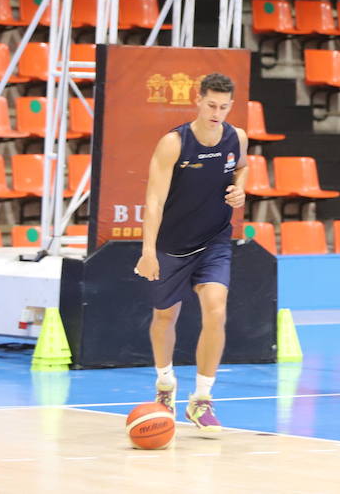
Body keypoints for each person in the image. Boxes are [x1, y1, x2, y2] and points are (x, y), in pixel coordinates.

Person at [134, 72, 249, 434]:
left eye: (224, 107)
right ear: (198, 101)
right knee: (165, 317)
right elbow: (153, 199)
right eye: (211, 105)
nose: (217, 112)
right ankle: (165, 384)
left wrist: (240, 190)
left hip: (215, 238)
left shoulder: (236, 137)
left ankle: (201, 400)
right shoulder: (174, 143)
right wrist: (148, 251)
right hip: (172, 243)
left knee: (216, 309)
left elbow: (242, 167)